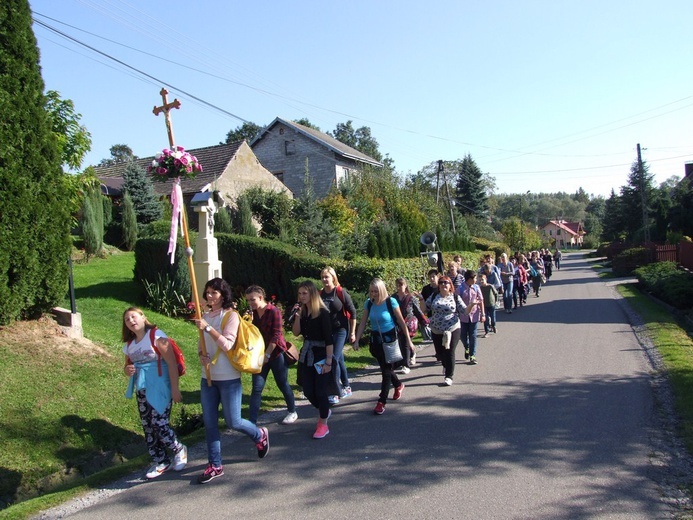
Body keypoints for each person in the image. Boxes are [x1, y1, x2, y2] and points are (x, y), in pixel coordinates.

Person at [194, 278, 269, 484]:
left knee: (233, 421)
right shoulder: (206, 316)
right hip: (208, 377)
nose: (210, 296)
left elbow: (227, 344)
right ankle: (215, 465)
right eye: (208, 292)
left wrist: (208, 328)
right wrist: (201, 354)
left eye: (214, 293)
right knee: (210, 423)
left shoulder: (231, 316)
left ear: (223, 294)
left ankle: (259, 435)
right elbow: (202, 346)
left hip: (228, 377)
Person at [122, 307, 187, 480]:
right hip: (142, 388)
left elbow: (171, 363)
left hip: (160, 386)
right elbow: (128, 365)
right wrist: (127, 370)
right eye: (127, 319)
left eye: (134, 316)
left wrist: (175, 388)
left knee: (159, 422)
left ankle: (178, 449)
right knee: (148, 426)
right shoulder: (130, 345)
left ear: (143, 317)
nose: (131, 321)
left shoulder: (157, 336)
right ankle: (160, 460)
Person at [354, 278, 414, 415]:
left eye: (376, 291)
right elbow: (363, 323)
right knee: (385, 368)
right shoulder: (369, 304)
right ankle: (398, 385)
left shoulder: (390, 302)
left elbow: (401, 322)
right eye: (371, 291)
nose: (373, 294)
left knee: (386, 372)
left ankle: (381, 402)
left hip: (390, 340)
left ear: (381, 290)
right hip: (376, 342)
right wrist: (357, 339)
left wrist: (409, 342)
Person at [246, 285, 297, 426]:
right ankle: (252, 421)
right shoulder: (255, 313)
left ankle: (292, 411)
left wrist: (267, 355)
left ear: (261, 297)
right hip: (260, 354)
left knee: (282, 383)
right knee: (257, 388)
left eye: (252, 300)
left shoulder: (274, 312)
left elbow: (276, 335)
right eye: (248, 300)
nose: (250, 303)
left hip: (275, 354)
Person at [291, 280, 335, 439]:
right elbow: (296, 333)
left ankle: (323, 424)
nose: (301, 296)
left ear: (312, 294)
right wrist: (297, 316)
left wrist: (329, 362)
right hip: (307, 354)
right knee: (308, 390)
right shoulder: (303, 312)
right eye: (300, 293)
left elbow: (329, 339)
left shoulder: (322, 312)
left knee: (320, 391)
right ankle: (325, 410)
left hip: (321, 354)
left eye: (305, 293)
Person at [319, 267, 357, 405]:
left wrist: (352, 332)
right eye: (322, 277)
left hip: (341, 330)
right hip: (327, 332)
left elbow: (352, 312)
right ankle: (346, 386)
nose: (324, 280)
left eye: (327, 277)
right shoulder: (320, 294)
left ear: (333, 278)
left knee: (333, 358)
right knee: (339, 358)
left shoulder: (340, 292)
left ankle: (334, 392)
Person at [425, 276, 468, 385]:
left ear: (450, 286)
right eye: (441, 283)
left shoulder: (455, 297)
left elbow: (465, 311)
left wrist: (473, 305)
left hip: (452, 328)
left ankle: (449, 376)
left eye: (446, 283)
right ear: (438, 286)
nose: (444, 284)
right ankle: (445, 364)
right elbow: (425, 308)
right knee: (440, 353)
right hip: (436, 329)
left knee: (449, 351)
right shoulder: (434, 296)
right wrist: (421, 299)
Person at [392, 277, 428, 370]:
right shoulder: (393, 298)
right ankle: (412, 353)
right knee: (401, 342)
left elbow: (418, 311)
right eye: (397, 285)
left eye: (401, 285)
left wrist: (424, 321)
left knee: (405, 342)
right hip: (397, 324)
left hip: (409, 323)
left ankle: (405, 365)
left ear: (405, 285)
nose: (399, 287)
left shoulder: (411, 298)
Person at [457, 270, 485, 365]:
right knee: (463, 335)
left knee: (473, 335)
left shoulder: (476, 288)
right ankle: (467, 346)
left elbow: (481, 301)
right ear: (469, 279)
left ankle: (473, 355)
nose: (476, 280)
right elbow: (456, 301)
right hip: (463, 317)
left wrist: (483, 314)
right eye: (475, 278)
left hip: (474, 315)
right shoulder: (460, 289)